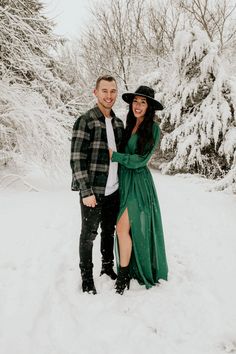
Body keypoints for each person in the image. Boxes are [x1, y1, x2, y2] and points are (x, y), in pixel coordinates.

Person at [109, 85, 168, 295]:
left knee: (123, 227)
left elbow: (140, 160)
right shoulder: (130, 125)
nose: (138, 105)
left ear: (149, 106)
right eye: (135, 101)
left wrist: (114, 156)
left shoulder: (153, 129)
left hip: (139, 183)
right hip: (124, 181)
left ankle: (124, 276)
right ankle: (127, 270)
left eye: (143, 102)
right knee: (126, 229)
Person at [70, 75, 124, 294]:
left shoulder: (118, 123)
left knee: (109, 232)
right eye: (104, 91)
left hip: (114, 190)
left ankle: (107, 267)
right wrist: (85, 191)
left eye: (112, 91)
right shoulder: (86, 120)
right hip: (93, 192)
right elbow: (76, 158)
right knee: (88, 235)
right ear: (95, 92)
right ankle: (86, 277)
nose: (108, 95)